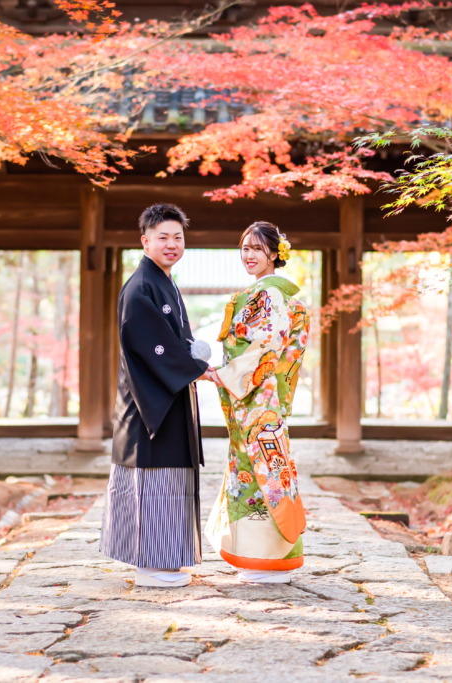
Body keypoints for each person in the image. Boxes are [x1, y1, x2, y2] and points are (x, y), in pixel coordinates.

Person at [99, 203, 217, 588]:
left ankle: (163, 560)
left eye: (178, 237)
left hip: (167, 399)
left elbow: (175, 343)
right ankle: (149, 564)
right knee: (153, 484)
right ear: (145, 240)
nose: (171, 244)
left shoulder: (162, 282)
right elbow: (152, 345)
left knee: (167, 484)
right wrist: (195, 368)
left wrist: (195, 365)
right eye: (163, 237)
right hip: (149, 407)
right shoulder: (140, 287)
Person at [205, 221, 310, 584]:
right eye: (244, 247)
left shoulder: (268, 295)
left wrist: (223, 374)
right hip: (262, 399)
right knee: (266, 471)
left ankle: (263, 561)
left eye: (256, 248)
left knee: (261, 474)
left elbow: (264, 349)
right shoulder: (274, 295)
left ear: (274, 254)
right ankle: (262, 558)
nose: (248, 255)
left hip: (255, 399)